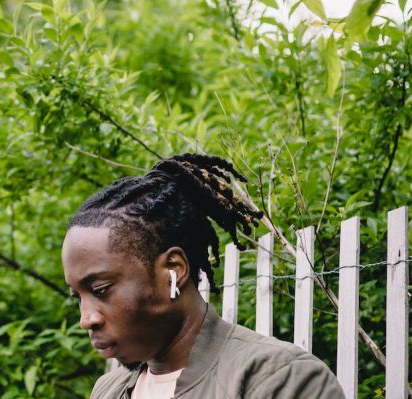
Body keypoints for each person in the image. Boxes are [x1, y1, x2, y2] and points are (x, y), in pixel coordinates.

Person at [61, 154, 345, 398]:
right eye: (78, 297)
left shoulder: (279, 378)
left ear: (173, 269)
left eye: (100, 289)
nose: (87, 319)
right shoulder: (108, 390)